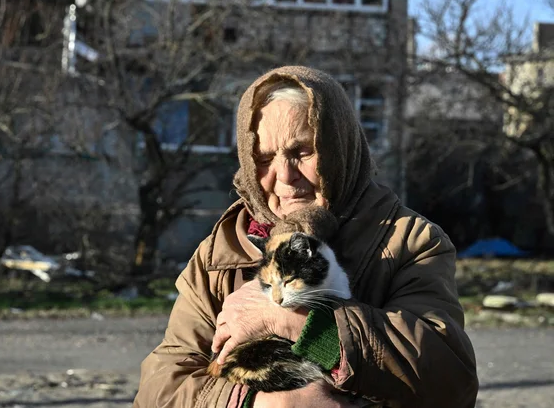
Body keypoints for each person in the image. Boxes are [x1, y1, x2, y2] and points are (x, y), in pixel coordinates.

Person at [133, 66, 478, 407]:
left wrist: (292, 320)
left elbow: (450, 383)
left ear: (339, 148)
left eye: (302, 152)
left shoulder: (410, 241)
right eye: (264, 158)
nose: (285, 176)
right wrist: (256, 403)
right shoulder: (221, 253)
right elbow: (161, 387)